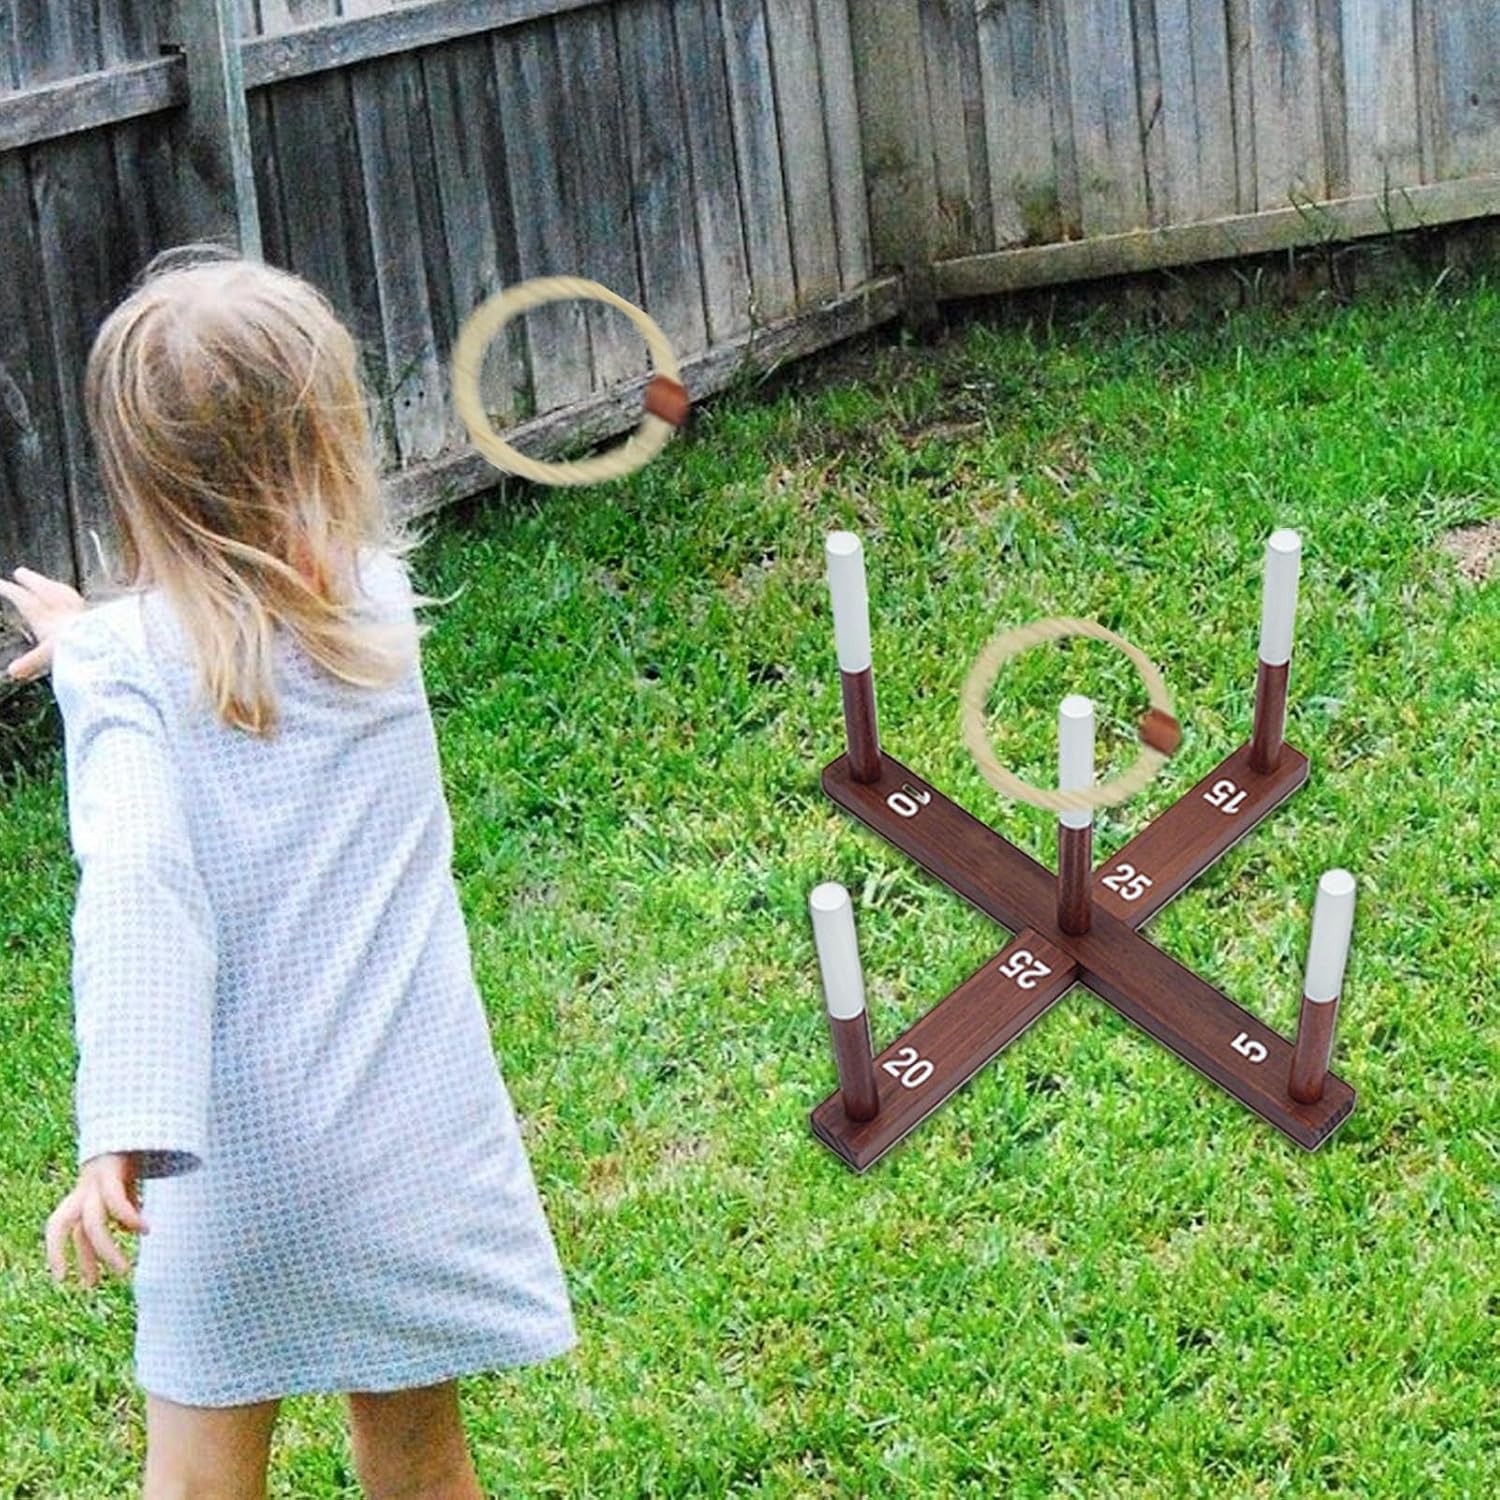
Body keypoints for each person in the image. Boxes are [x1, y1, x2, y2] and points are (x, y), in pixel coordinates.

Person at [2, 245, 575, 1499]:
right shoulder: (378, 614)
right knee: (421, 1467)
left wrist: (123, 1132)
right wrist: (102, 644)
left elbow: (139, 885)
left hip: (237, 1168)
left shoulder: (126, 671)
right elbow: (249, 626)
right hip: (408, 1150)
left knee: (200, 1482)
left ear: (139, 478)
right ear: (329, 442)